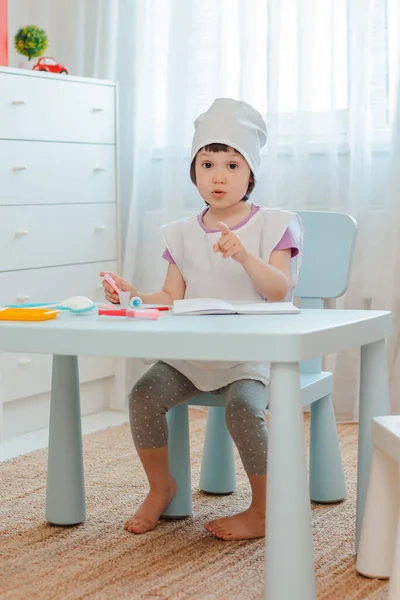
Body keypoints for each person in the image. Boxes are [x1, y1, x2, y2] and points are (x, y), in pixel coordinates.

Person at [101, 98, 303, 541]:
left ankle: (264, 510)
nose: (218, 176)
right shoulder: (181, 233)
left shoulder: (276, 224)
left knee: (244, 410)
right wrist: (135, 295)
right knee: (143, 395)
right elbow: (171, 295)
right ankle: (162, 487)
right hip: (193, 357)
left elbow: (279, 290)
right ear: (193, 172)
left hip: (251, 357)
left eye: (232, 165)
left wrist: (244, 256)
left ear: (251, 174)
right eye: (207, 163)